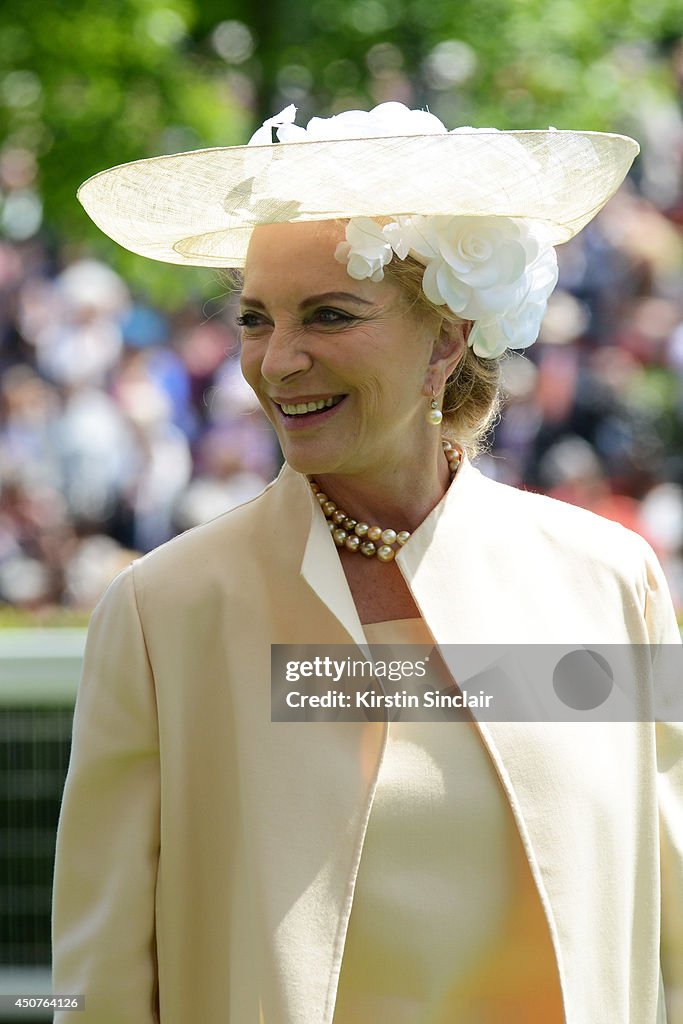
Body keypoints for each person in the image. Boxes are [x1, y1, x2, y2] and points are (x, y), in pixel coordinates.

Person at [52, 102, 683, 1024]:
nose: (277, 360)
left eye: (329, 315)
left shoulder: (605, 582)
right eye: (256, 319)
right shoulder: (165, 614)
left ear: (447, 338)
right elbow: (90, 983)